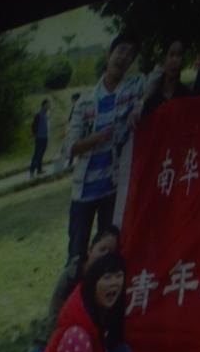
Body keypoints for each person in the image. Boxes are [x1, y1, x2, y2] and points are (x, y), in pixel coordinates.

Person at [62, 33, 146, 262]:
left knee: (108, 253)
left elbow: (156, 80)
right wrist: (96, 138)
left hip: (112, 190)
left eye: (130, 55)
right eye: (121, 51)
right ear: (110, 54)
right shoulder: (85, 101)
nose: (124, 57)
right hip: (84, 192)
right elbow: (69, 148)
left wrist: (140, 105)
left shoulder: (132, 90)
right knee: (76, 256)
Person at [28, 252, 146, 352]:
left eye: (119, 276)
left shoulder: (104, 309)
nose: (114, 282)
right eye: (107, 277)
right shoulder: (76, 336)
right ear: (93, 281)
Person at [18, 225, 122, 352]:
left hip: (92, 343)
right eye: (102, 249)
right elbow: (55, 310)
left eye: (111, 252)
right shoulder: (72, 273)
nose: (105, 255)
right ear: (90, 250)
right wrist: (59, 342)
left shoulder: (110, 281)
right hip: (59, 338)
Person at [142, 39, 193, 117]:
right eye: (171, 54)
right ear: (164, 59)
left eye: (179, 55)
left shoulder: (187, 95)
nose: (175, 60)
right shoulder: (151, 94)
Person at [29, 99, 50, 177]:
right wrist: (34, 134)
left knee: (41, 154)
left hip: (45, 137)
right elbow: (33, 125)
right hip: (39, 137)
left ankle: (39, 169)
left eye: (49, 105)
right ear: (43, 105)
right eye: (47, 105)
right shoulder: (38, 114)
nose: (48, 106)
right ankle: (32, 170)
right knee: (37, 154)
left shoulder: (46, 115)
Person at [65, 92, 81, 169]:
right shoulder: (75, 107)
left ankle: (72, 162)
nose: (72, 101)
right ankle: (71, 162)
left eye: (73, 99)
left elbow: (70, 119)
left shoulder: (78, 107)